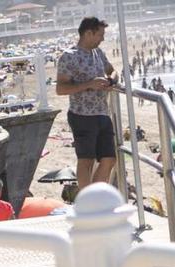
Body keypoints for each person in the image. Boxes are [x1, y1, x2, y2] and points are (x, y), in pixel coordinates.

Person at [56, 17, 117, 191]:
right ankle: (86, 202)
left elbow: (113, 70)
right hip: (81, 115)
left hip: (102, 113)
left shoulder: (98, 53)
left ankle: (94, 197)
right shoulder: (69, 56)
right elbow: (60, 89)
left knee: (109, 159)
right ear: (88, 33)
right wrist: (89, 84)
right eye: (100, 34)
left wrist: (111, 80)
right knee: (86, 160)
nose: (103, 39)